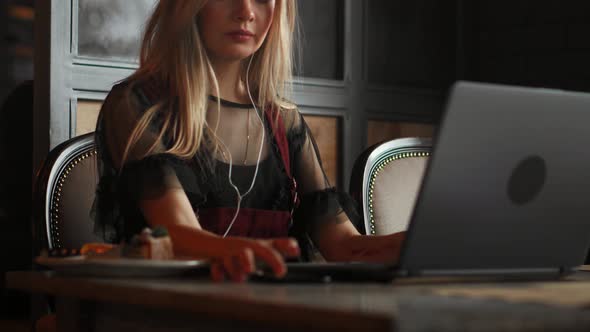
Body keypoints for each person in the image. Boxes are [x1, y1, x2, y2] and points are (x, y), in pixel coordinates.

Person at [93, 0, 406, 282]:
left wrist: (409, 243)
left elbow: (345, 248)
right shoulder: (137, 105)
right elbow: (175, 233)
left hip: (267, 315)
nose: (245, 11)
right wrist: (248, 252)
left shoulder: (284, 122)